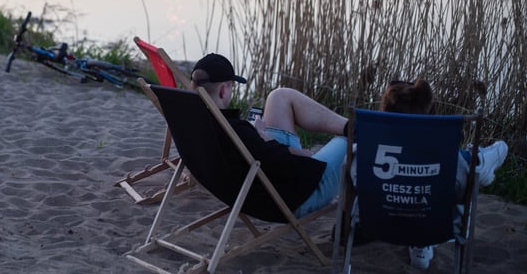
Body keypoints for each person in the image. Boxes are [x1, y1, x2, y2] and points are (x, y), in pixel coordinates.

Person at [191, 53, 349, 220]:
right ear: (223, 90)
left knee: (279, 96)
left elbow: (256, 154)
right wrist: (263, 138)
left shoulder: (193, 123)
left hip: (253, 186)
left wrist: (256, 136)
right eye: (231, 87)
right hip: (289, 198)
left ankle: (348, 125)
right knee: (350, 139)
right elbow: (297, 162)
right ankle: (357, 128)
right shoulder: (236, 130)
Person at [378, 79, 508, 270]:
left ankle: (420, 244)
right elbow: (462, 188)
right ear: (429, 118)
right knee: (458, 172)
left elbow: (354, 182)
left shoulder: (366, 154)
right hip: (438, 220)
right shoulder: (445, 158)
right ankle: (479, 160)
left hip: (386, 220)